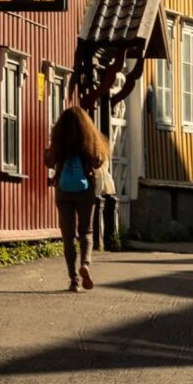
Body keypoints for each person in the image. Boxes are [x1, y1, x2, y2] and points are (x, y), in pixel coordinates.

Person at [44, 106, 109, 292]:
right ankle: (85, 265)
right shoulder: (87, 140)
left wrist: (50, 152)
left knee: (68, 236)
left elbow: (49, 161)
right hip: (85, 190)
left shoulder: (59, 141)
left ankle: (74, 280)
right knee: (86, 231)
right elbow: (98, 161)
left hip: (63, 190)